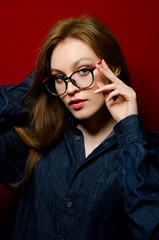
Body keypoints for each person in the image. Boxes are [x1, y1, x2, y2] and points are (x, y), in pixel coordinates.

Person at [0, 15, 159, 240]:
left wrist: (130, 132)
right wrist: (34, 88)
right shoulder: (37, 140)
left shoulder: (147, 153)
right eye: (59, 77)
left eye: (83, 70)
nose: (70, 88)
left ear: (112, 67)